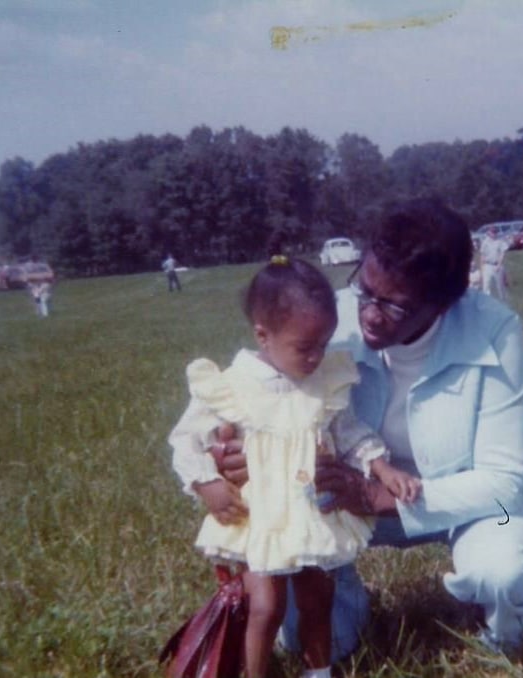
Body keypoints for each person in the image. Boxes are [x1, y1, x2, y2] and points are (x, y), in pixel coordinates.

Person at [210, 197, 523, 662]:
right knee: (304, 640)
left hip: (479, 502)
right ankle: (345, 602)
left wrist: (378, 496)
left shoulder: (496, 332)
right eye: (365, 291)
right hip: (350, 500)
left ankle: (507, 628)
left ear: (445, 303)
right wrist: (243, 451)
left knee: (503, 568)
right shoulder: (333, 317)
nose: (369, 314)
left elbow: (505, 483)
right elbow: (268, 387)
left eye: (393, 306)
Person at [169, 255, 421, 678]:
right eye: (304, 347)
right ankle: (256, 671)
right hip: (261, 516)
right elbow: (185, 440)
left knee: (317, 595)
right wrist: (206, 482)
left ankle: (317, 671)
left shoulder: (323, 383)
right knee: (265, 605)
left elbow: (350, 433)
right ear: (263, 335)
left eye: (323, 345)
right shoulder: (232, 387)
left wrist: (381, 468)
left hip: (311, 509)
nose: (316, 358)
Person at [479, 225, 510, 300]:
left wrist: (499, 265)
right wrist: (482, 268)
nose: (494, 234)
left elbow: (502, 254)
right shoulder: (485, 242)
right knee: (486, 286)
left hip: (497, 265)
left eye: (495, 232)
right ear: (489, 232)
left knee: (500, 286)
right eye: (492, 232)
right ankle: (487, 302)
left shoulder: (500, 241)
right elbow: (482, 255)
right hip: (487, 265)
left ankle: (503, 303)